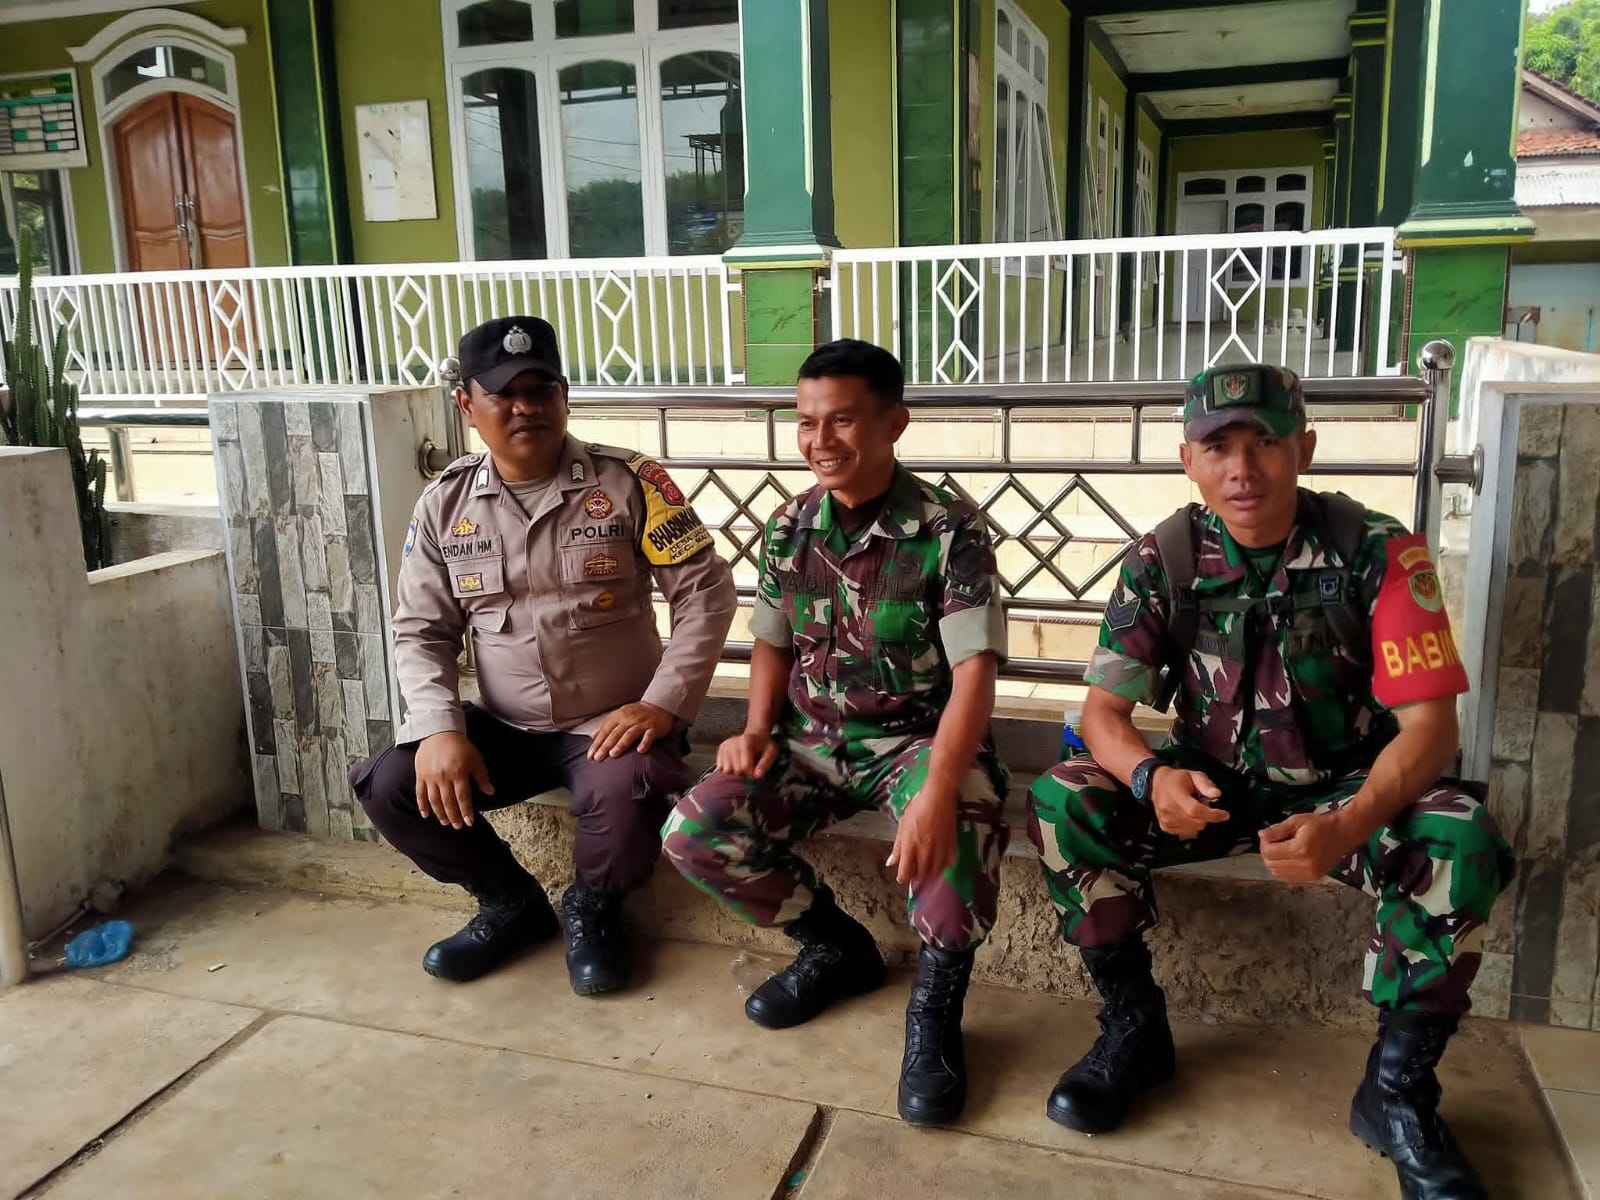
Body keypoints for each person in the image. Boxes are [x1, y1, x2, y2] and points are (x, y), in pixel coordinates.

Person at [1028, 363, 1512, 1200]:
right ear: (1188, 459)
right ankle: (1135, 1030)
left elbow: (1432, 731)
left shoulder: (1378, 552)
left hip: (1346, 789)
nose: (1242, 469)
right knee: (1063, 798)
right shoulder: (1164, 560)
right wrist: (1150, 778)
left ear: (1305, 449)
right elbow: (1103, 715)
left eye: (1265, 443)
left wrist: (1349, 824)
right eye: (1218, 447)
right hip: (1208, 793)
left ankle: (1397, 1093)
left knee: (1461, 834)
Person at [662, 338, 1011, 1127]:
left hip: (918, 743)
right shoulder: (789, 526)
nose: (820, 441)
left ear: (894, 424)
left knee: (958, 823)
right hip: (811, 742)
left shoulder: (951, 531)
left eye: (843, 421)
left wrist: (937, 789)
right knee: (694, 830)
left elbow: (975, 677)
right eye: (807, 422)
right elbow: (772, 641)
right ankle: (835, 948)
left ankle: (935, 1012)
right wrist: (756, 728)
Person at [350, 316, 736, 996]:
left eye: (540, 389)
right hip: (507, 728)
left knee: (631, 789)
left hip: (615, 724)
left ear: (565, 396)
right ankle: (510, 904)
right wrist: (438, 727)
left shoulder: (631, 482)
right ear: (467, 405)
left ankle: (593, 909)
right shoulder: (444, 504)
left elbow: (705, 595)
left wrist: (662, 703)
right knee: (390, 786)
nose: (525, 407)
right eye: (503, 393)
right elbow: (421, 629)